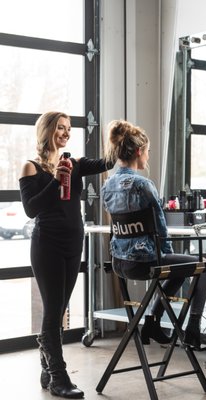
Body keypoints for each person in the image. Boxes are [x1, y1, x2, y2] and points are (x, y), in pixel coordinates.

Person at [19, 111, 115, 399]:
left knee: (59, 310)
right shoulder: (30, 167)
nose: (66, 132)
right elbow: (30, 209)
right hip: (47, 245)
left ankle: (47, 367)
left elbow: (107, 162)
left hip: (74, 244)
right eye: (60, 127)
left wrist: (117, 135)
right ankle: (59, 377)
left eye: (68, 128)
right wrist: (55, 179)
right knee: (52, 310)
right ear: (47, 130)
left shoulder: (75, 163)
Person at [101, 120, 206, 349]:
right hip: (145, 262)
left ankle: (152, 320)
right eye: (148, 151)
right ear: (139, 151)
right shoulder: (143, 185)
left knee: (178, 270)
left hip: (120, 264)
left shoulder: (107, 185)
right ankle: (193, 330)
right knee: (204, 266)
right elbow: (160, 230)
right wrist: (166, 256)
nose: (148, 156)